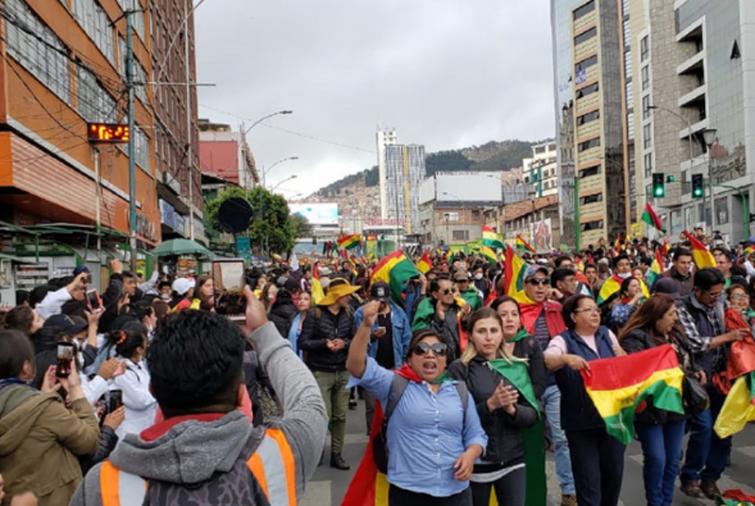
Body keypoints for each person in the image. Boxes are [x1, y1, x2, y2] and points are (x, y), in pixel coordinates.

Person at [70, 287, 327, 504]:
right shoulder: (280, 454)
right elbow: (309, 400)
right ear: (241, 391)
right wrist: (263, 332)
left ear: (153, 389)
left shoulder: (102, 486)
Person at [347, 301, 487, 506]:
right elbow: (356, 366)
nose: (430, 354)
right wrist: (366, 326)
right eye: (421, 349)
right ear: (410, 359)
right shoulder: (393, 384)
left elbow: (476, 435)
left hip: (456, 492)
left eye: (439, 350)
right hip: (408, 493)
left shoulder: (459, 391)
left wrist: (470, 455)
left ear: (445, 360)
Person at [447, 308, 537, 506]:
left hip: (513, 459)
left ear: (502, 334)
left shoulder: (516, 367)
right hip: (476, 462)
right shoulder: (459, 368)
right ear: (471, 336)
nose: (489, 337)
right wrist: (490, 405)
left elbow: (532, 415)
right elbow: (454, 418)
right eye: (481, 331)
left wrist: (512, 410)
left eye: (494, 331)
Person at [0, 329, 100, 505]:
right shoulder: (45, 409)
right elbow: (90, 441)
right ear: (26, 367)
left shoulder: (39, 405)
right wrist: (75, 388)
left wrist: (42, 397)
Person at [543, 295, 626, 506]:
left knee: (613, 478)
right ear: (573, 316)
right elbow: (548, 360)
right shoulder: (563, 340)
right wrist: (565, 359)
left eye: (596, 309)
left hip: (612, 420)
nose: (595, 313)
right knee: (588, 483)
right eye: (588, 310)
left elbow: (623, 361)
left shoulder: (606, 334)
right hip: (581, 424)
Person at [619, 295, 701, 506]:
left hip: (677, 406)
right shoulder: (635, 338)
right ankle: (655, 502)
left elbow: (688, 361)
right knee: (657, 459)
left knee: (672, 460)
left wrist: (696, 371)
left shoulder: (676, 335)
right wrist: (665, 359)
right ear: (656, 316)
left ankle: (666, 501)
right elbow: (636, 369)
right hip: (651, 408)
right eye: (671, 314)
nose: (675, 318)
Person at [675, 268, 747, 498]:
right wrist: (728, 337)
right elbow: (694, 343)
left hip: (724, 377)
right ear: (698, 291)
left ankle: (711, 478)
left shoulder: (721, 304)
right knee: (704, 428)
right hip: (698, 379)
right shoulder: (682, 307)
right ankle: (690, 476)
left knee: (725, 429)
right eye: (712, 294)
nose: (717, 298)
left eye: (720, 293)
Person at [517, 265, 576, 505]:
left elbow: (580, 316)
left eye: (544, 282)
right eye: (535, 282)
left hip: (553, 383)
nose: (540, 287)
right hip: (525, 385)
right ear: (525, 285)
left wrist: (563, 298)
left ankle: (569, 491)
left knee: (562, 438)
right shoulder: (515, 310)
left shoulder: (557, 308)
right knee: (528, 442)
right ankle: (527, 491)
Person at [298, 277, 359, 470]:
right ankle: (317, 451)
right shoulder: (315, 314)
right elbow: (303, 342)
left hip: (343, 371)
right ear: (336, 296)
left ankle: (336, 454)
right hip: (321, 371)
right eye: (346, 294)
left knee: (340, 416)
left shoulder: (348, 314)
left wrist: (345, 344)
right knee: (323, 416)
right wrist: (324, 344)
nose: (349, 297)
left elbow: (355, 339)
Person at [353, 281, 412, 433]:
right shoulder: (361, 314)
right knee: (372, 407)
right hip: (372, 369)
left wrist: (404, 363)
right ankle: (374, 439)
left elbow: (407, 339)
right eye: (376, 301)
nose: (380, 304)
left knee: (395, 406)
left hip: (395, 368)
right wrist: (372, 335)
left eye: (383, 301)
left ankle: (392, 438)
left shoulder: (398, 313)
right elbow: (356, 341)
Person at [107, 322, 157, 440]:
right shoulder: (121, 371)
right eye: (145, 345)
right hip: (130, 431)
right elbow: (141, 400)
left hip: (145, 425)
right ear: (139, 349)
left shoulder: (139, 365)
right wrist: (159, 392)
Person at [413, 276, 467, 361]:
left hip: (460, 361)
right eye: (446, 291)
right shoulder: (427, 312)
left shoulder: (460, 310)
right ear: (435, 294)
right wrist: (439, 319)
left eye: (452, 290)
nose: (450, 293)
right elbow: (422, 337)